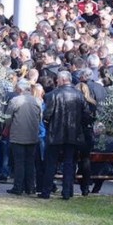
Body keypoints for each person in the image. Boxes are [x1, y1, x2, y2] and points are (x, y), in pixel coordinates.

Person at [39, 71, 93, 200]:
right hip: (73, 135)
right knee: (69, 164)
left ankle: (46, 191)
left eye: (58, 80)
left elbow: (46, 116)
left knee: (51, 163)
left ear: (63, 80)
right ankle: (67, 192)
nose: (56, 82)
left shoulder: (52, 95)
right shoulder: (79, 96)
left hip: (55, 134)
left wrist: (49, 126)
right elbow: (87, 116)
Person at [5, 79, 41, 195]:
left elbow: (8, 118)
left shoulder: (15, 101)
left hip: (18, 136)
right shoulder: (37, 101)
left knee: (19, 162)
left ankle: (18, 187)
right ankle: (30, 187)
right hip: (32, 135)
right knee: (30, 162)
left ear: (20, 89)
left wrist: (7, 127)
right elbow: (40, 118)